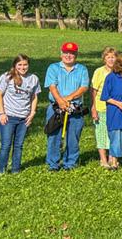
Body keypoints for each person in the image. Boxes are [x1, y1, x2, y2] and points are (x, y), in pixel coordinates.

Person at [44, 42, 89, 171]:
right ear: (61, 53)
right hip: (55, 107)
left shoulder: (82, 69)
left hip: (74, 107)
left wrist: (68, 99)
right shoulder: (53, 68)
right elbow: (52, 86)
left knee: (73, 137)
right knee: (53, 136)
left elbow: (83, 87)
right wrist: (60, 101)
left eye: (72, 53)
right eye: (66, 53)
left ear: (76, 55)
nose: (68, 55)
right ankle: (53, 164)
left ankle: (70, 163)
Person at [0, 54, 40, 174]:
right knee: (6, 145)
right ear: (15, 65)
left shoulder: (33, 78)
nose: (23, 67)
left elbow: (34, 97)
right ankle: (2, 171)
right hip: (9, 117)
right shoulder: (7, 77)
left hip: (24, 118)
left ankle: (16, 170)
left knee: (19, 145)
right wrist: (2, 113)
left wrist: (32, 113)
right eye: (20, 64)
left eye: (25, 64)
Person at [90, 47, 117, 168]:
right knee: (101, 133)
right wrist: (93, 108)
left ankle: (112, 157)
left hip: (115, 108)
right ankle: (103, 159)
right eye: (108, 57)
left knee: (114, 134)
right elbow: (94, 90)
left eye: (113, 57)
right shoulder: (99, 71)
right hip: (101, 107)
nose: (111, 59)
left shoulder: (118, 71)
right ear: (104, 58)